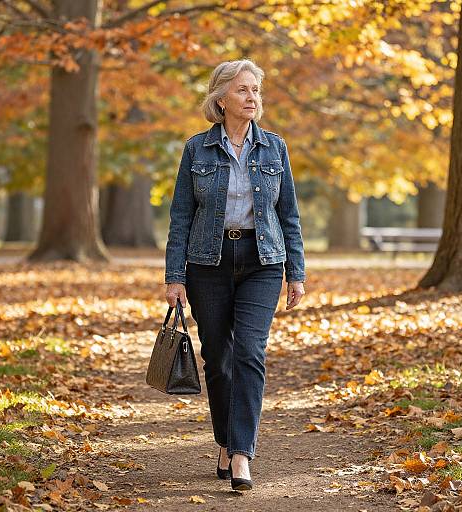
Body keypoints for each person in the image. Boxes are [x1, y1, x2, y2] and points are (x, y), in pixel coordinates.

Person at [164, 59, 305, 491]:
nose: (252, 98)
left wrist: (295, 272)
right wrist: (174, 275)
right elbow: (182, 215)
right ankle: (224, 442)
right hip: (209, 262)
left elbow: (289, 215)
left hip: (262, 261)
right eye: (243, 90)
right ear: (221, 98)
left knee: (249, 352)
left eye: (256, 90)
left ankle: (241, 452)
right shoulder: (196, 149)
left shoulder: (274, 148)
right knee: (219, 361)